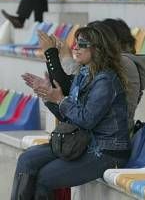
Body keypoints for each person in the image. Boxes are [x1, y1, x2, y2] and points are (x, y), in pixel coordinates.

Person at [12, 24, 130, 199]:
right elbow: (69, 116)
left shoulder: (105, 80)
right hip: (84, 143)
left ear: (97, 49)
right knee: (26, 160)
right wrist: (47, 95)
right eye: (76, 43)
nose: (75, 48)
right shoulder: (84, 74)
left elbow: (86, 119)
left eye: (82, 44)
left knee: (45, 177)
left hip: (106, 151)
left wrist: (60, 99)